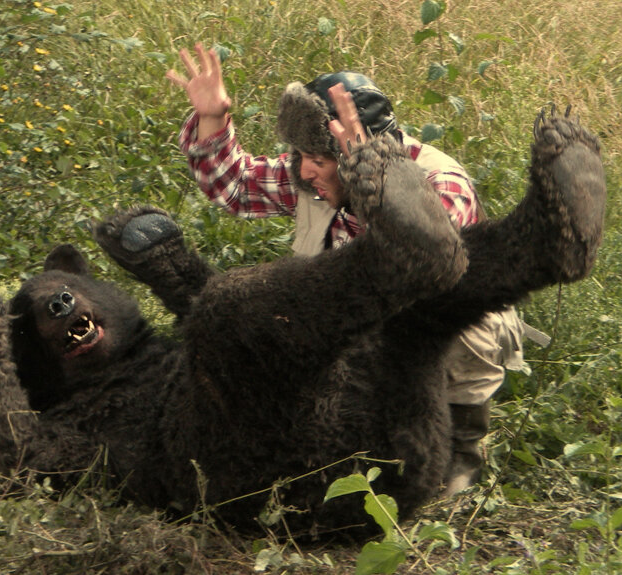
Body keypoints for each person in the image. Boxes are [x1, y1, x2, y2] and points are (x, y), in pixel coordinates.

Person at [166, 43, 527, 496]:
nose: (305, 171)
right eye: (299, 156)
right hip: (359, 326)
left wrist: (372, 182)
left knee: (460, 335)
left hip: (433, 324)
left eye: (318, 160)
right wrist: (213, 119)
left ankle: (460, 454)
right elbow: (235, 185)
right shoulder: (311, 175)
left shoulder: (439, 180)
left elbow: (429, 264)